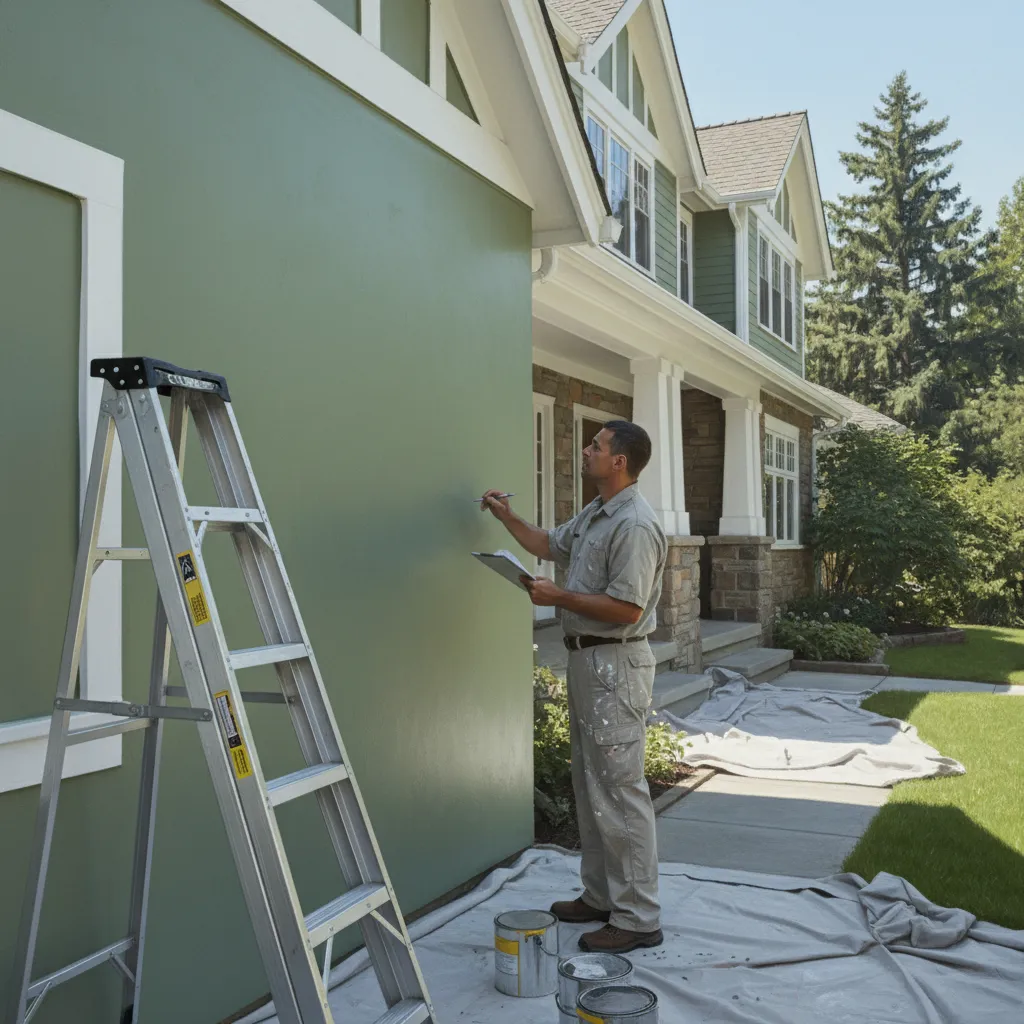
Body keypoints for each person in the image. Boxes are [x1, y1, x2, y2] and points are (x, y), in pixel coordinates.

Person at [481, 420, 667, 953]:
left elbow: (627, 607)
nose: (585, 451)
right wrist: (506, 516)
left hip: (616, 665)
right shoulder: (597, 512)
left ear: (620, 462)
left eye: (596, 446)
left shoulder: (634, 524)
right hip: (589, 663)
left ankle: (638, 918)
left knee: (621, 790)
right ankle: (601, 896)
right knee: (591, 785)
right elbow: (549, 544)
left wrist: (557, 599)